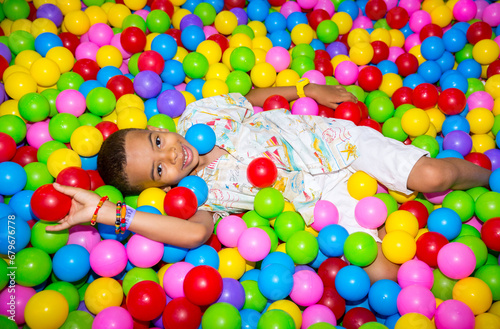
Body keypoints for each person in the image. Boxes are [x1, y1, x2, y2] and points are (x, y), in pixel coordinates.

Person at [47, 83, 491, 282]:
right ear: (159, 188)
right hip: (324, 202)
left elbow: (251, 99)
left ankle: (489, 176)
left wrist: (307, 92)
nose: (170, 153)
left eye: (158, 141)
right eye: (159, 169)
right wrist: (110, 213)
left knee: (435, 174)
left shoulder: (201, 115)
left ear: (158, 127)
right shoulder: (202, 194)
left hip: (339, 145)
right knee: (382, 273)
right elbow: (194, 233)